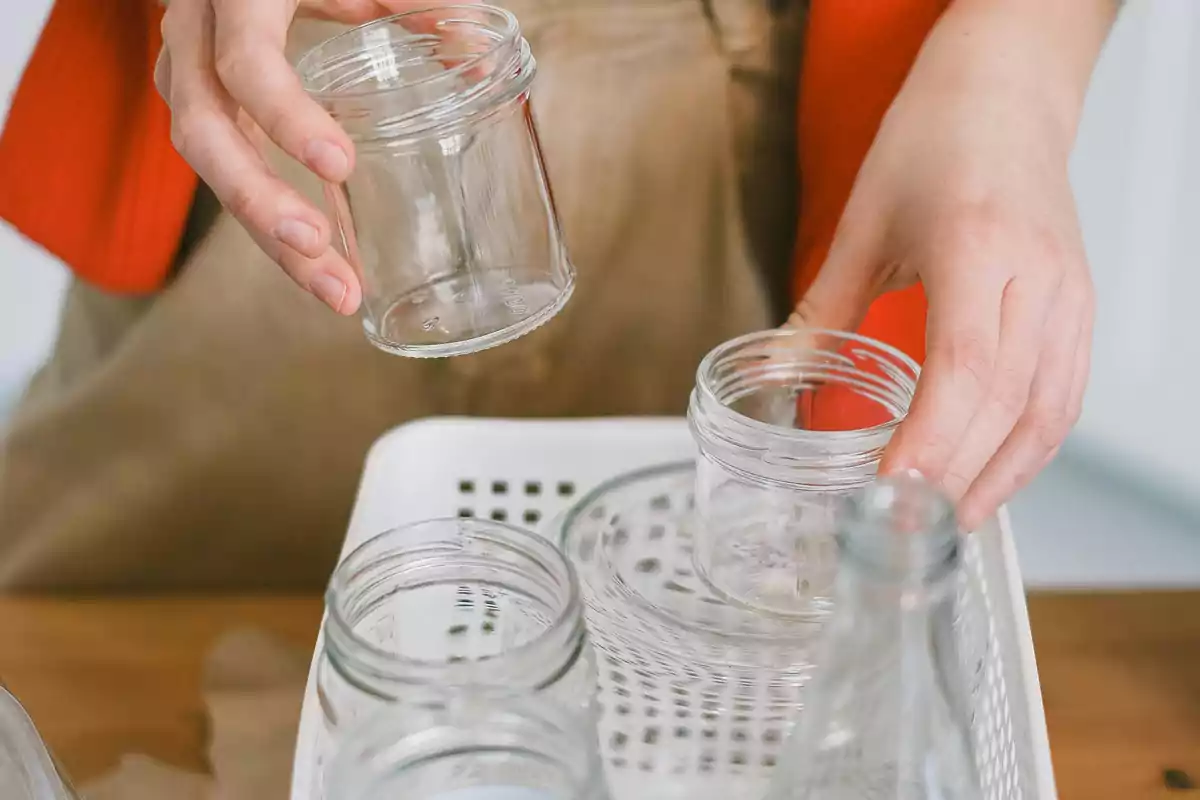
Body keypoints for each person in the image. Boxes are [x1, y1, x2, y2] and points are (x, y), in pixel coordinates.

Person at [0, 0, 1117, 590]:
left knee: (710, 638)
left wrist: (1015, 54)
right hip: (282, 87)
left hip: (748, 111)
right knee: (100, 671)